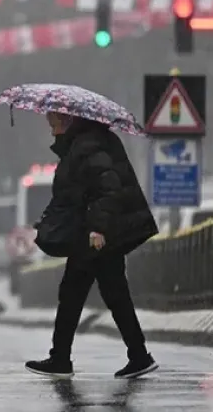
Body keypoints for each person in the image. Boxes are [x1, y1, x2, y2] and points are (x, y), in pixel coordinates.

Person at [25, 112, 159, 380]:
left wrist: (98, 228)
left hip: (96, 238)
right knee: (97, 294)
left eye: (54, 125)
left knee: (88, 295)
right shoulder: (85, 144)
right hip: (91, 235)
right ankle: (133, 355)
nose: (52, 132)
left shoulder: (89, 146)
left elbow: (107, 188)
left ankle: (64, 359)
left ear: (68, 123)